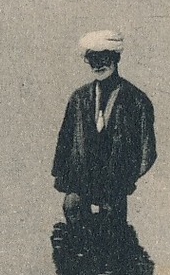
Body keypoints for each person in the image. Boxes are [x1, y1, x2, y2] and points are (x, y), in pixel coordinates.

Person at [52, 30, 156, 223]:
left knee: (113, 236)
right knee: (73, 214)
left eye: (104, 58)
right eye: (93, 59)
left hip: (114, 184)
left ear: (116, 58)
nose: (98, 65)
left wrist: (125, 179)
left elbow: (147, 151)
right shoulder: (78, 98)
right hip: (81, 181)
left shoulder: (137, 101)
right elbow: (64, 140)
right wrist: (64, 178)